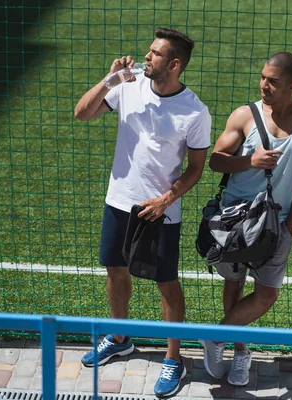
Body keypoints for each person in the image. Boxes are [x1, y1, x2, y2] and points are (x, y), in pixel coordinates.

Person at [74, 27, 211, 398]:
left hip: (159, 210)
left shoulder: (195, 111)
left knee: (166, 282)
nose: (146, 57)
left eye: (155, 53)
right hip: (119, 200)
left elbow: (196, 168)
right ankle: (119, 337)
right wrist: (109, 79)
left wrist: (168, 198)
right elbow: (81, 113)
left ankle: (173, 359)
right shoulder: (127, 86)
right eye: (149, 51)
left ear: (175, 64)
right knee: (115, 270)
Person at [200, 52, 292, 386]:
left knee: (267, 294)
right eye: (262, 78)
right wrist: (249, 161)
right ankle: (239, 351)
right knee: (235, 283)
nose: (264, 86)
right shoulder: (245, 115)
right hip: (237, 222)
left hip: (277, 223)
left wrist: (291, 226)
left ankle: (215, 336)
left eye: (273, 81)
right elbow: (215, 161)